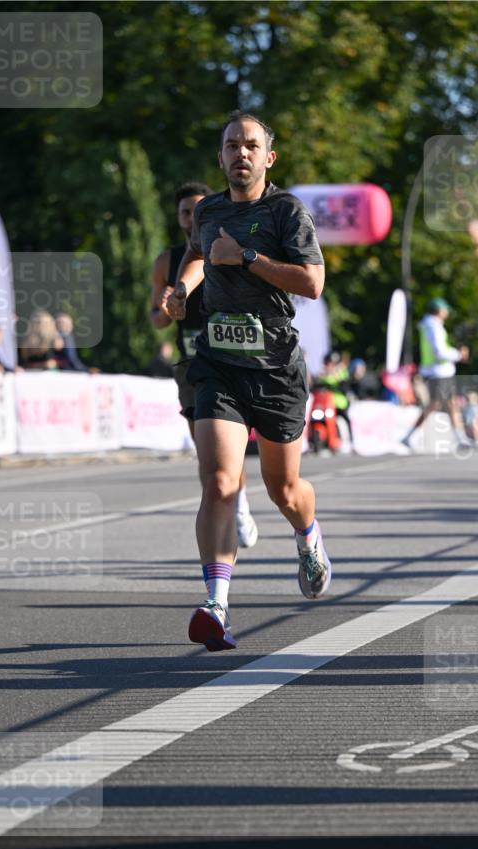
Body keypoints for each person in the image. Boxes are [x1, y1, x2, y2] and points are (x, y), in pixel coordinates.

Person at [162, 110, 331, 650]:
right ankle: (216, 603)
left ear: (268, 157)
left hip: (277, 367)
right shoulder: (208, 210)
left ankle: (308, 537)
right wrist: (184, 289)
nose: (241, 153)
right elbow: (195, 254)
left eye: (251, 145)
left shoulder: (286, 211)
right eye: (232, 144)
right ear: (221, 156)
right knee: (219, 481)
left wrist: (248, 257)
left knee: (283, 489)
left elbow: (313, 282)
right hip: (218, 362)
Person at [151, 180, 259, 550]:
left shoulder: (227, 245)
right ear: (179, 217)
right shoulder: (166, 261)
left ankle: (238, 500)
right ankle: (219, 506)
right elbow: (157, 321)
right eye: (185, 212)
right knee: (206, 446)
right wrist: (166, 307)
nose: (191, 217)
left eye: (197, 209)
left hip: (228, 356)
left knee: (229, 442)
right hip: (191, 361)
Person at [401, 298, 472, 451]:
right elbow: (440, 351)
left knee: (442, 404)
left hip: (436, 372)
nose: (446, 313)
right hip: (439, 372)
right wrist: (458, 355)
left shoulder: (428, 326)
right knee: (441, 404)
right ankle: (412, 435)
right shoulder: (434, 327)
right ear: (439, 311)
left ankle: (460, 438)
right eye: (445, 310)